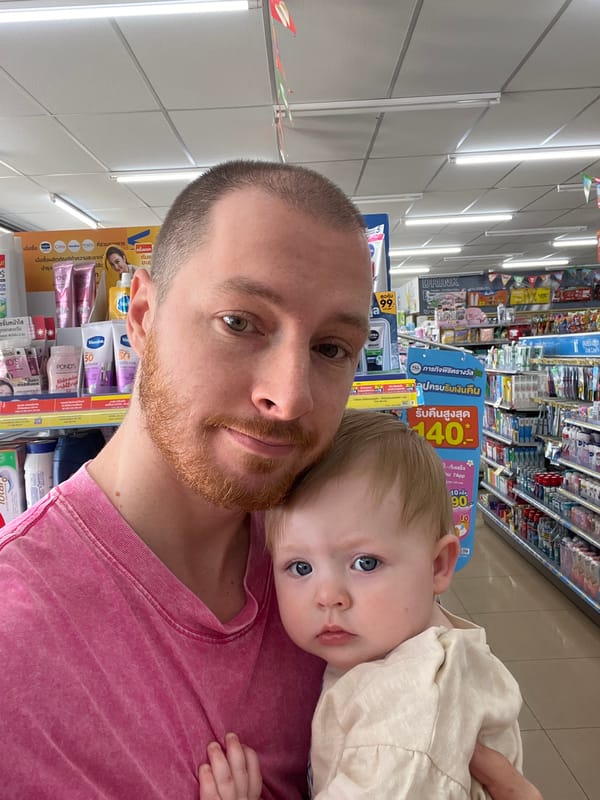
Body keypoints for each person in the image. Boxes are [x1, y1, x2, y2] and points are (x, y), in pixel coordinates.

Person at [0, 160, 542, 800]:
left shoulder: (336, 542)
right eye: (239, 321)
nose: (288, 397)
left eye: (331, 348)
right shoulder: (19, 651)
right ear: (142, 316)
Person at [198, 409, 523, 799]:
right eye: (299, 567)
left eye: (365, 563)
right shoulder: (404, 650)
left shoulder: (404, 722)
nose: (328, 596)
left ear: (437, 565)